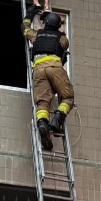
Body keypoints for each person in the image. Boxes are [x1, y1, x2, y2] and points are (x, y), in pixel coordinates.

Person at [23, 11, 74, 151]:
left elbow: (24, 28)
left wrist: (30, 14)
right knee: (68, 97)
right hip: (55, 68)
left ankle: (43, 124)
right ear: (58, 25)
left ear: (46, 23)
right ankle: (57, 119)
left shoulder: (36, 35)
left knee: (43, 102)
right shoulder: (62, 38)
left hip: (39, 71)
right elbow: (64, 46)